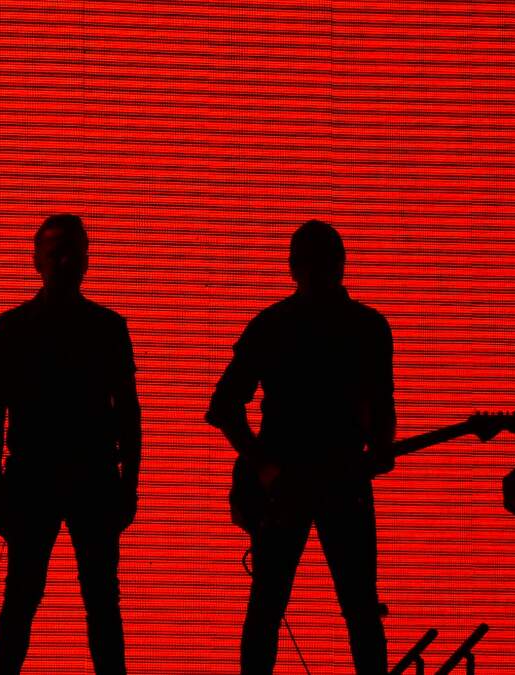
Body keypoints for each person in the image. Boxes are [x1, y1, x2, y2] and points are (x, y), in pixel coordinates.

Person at [206, 219, 395, 674]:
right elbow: (381, 407)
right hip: (325, 483)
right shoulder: (367, 327)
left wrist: (263, 466)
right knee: (359, 610)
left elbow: (223, 406)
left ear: (292, 267)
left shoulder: (273, 324)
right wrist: (378, 448)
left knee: (270, 609)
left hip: (290, 485)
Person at [0, 214, 141, 675]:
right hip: (86, 475)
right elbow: (127, 414)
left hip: (38, 476)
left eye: (70, 252)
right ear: (39, 260)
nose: (64, 262)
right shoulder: (106, 328)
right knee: (97, 599)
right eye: (58, 253)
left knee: (25, 595)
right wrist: (128, 483)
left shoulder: (13, 327)